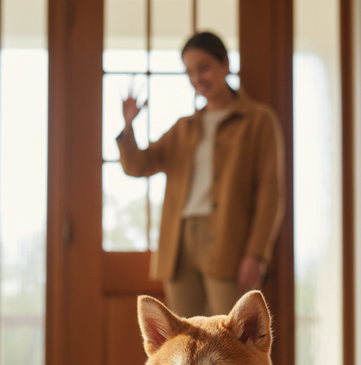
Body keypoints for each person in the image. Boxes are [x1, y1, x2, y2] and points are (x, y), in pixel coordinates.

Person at [116, 31, 286, 318]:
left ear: (225, 64)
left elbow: (270, 194)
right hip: (179, 243)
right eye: (190, 73)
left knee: (235, 343)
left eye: (204, 68)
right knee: (184, 340)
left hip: (229, 241)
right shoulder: (184, 128)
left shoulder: (259, 121)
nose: (197, 79)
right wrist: (128, 126)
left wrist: (257, 253)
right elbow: (137, 166)